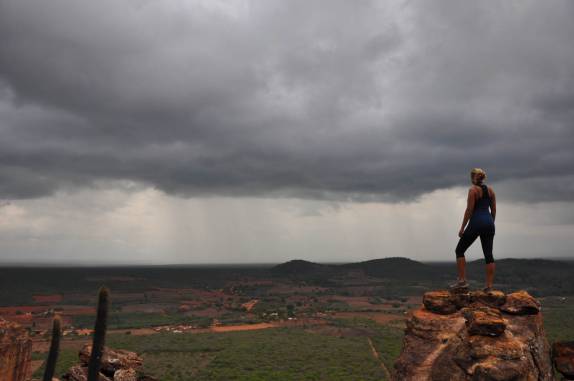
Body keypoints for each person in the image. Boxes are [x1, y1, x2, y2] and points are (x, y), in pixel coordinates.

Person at [450, 168, 497, 292]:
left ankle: (462, 281)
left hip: (477, 222)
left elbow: (469, 210)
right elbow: (494, 210)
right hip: (489, 223)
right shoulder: (491, 190)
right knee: (489, 255)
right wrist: (491, 223)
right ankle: (489, 286)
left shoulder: (473, 190)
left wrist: (462, 227)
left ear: (472, 178)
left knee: (459, 250)